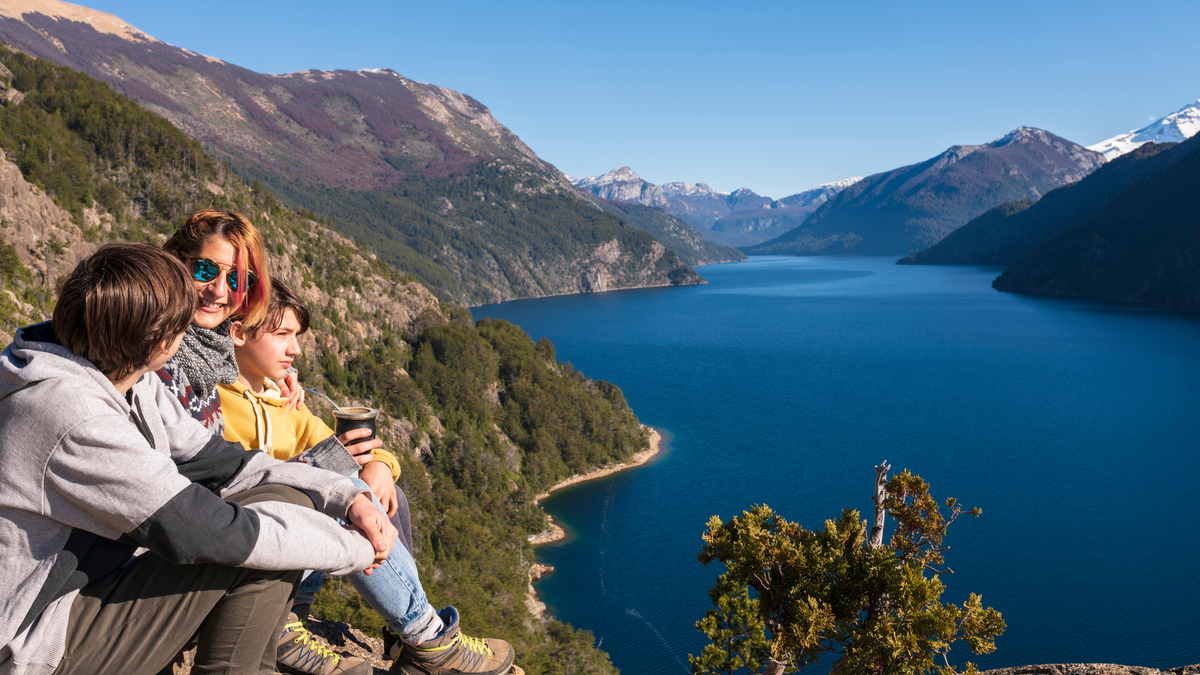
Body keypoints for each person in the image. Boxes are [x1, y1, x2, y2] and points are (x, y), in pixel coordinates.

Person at [0, 243, 397, 675]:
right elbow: (206, 533)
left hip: (87, 587)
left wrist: (344, 495)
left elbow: (222, 463)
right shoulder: (75, 416)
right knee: (267, 539)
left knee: (288, 499)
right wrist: (353, 549)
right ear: (162, 341)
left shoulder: (121, 374)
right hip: (35, 643)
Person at [219, 279, 515, 675]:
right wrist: (340, 473)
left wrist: (380, 467)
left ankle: (397, 634)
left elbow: (349, 455)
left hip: (282, 538)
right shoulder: (216, 402)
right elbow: (240, 481)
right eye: (282, 335)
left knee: (387, 495)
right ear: (239, 334)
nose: (295, 349)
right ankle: (426, 638)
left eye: (297, 336)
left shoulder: (282, 401)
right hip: (246, 539)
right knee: (348, 499)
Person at [156, 208, 304, 434]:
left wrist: (282, 372)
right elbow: (195, 461)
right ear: (177, 261)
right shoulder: (153, 353)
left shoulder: (217, 345)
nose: (219, 290)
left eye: (239, 279)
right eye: (205, 270)